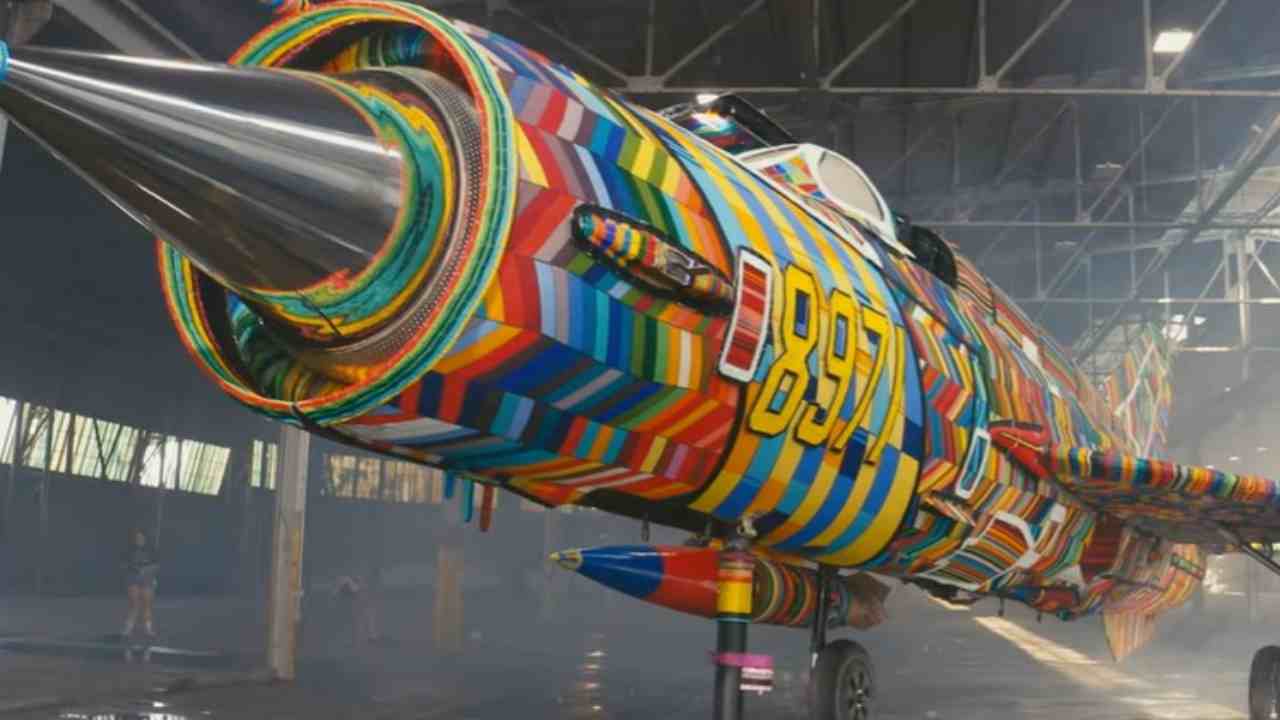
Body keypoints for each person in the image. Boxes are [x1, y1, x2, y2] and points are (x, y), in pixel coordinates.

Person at [122, 528, 159, 638]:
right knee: (134, 604)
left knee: (147, 605)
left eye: (141, 537)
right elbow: (123, 565)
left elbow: (156, 565)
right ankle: (127, 630)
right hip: (133, 579)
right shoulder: (128, 550)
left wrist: (147, 570)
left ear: (145, 538)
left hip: (147, 579)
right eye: (137, 538)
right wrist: (133, 568)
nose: (139, 539)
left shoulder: (151, 550)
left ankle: (148, 630)